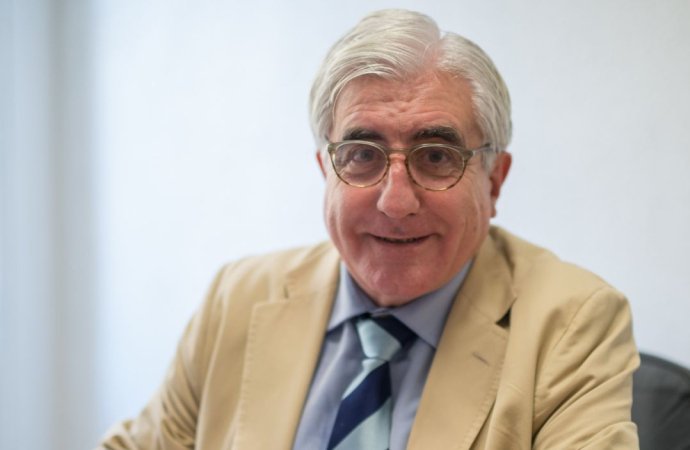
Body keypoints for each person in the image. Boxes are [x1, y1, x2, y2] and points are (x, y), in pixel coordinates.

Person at [98, 9, 639, 450]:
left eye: (436, 155)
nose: (395, 201)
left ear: (494, 182)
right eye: (361, 154)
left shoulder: (573, 323)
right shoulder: (236, 298)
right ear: (325, 171)